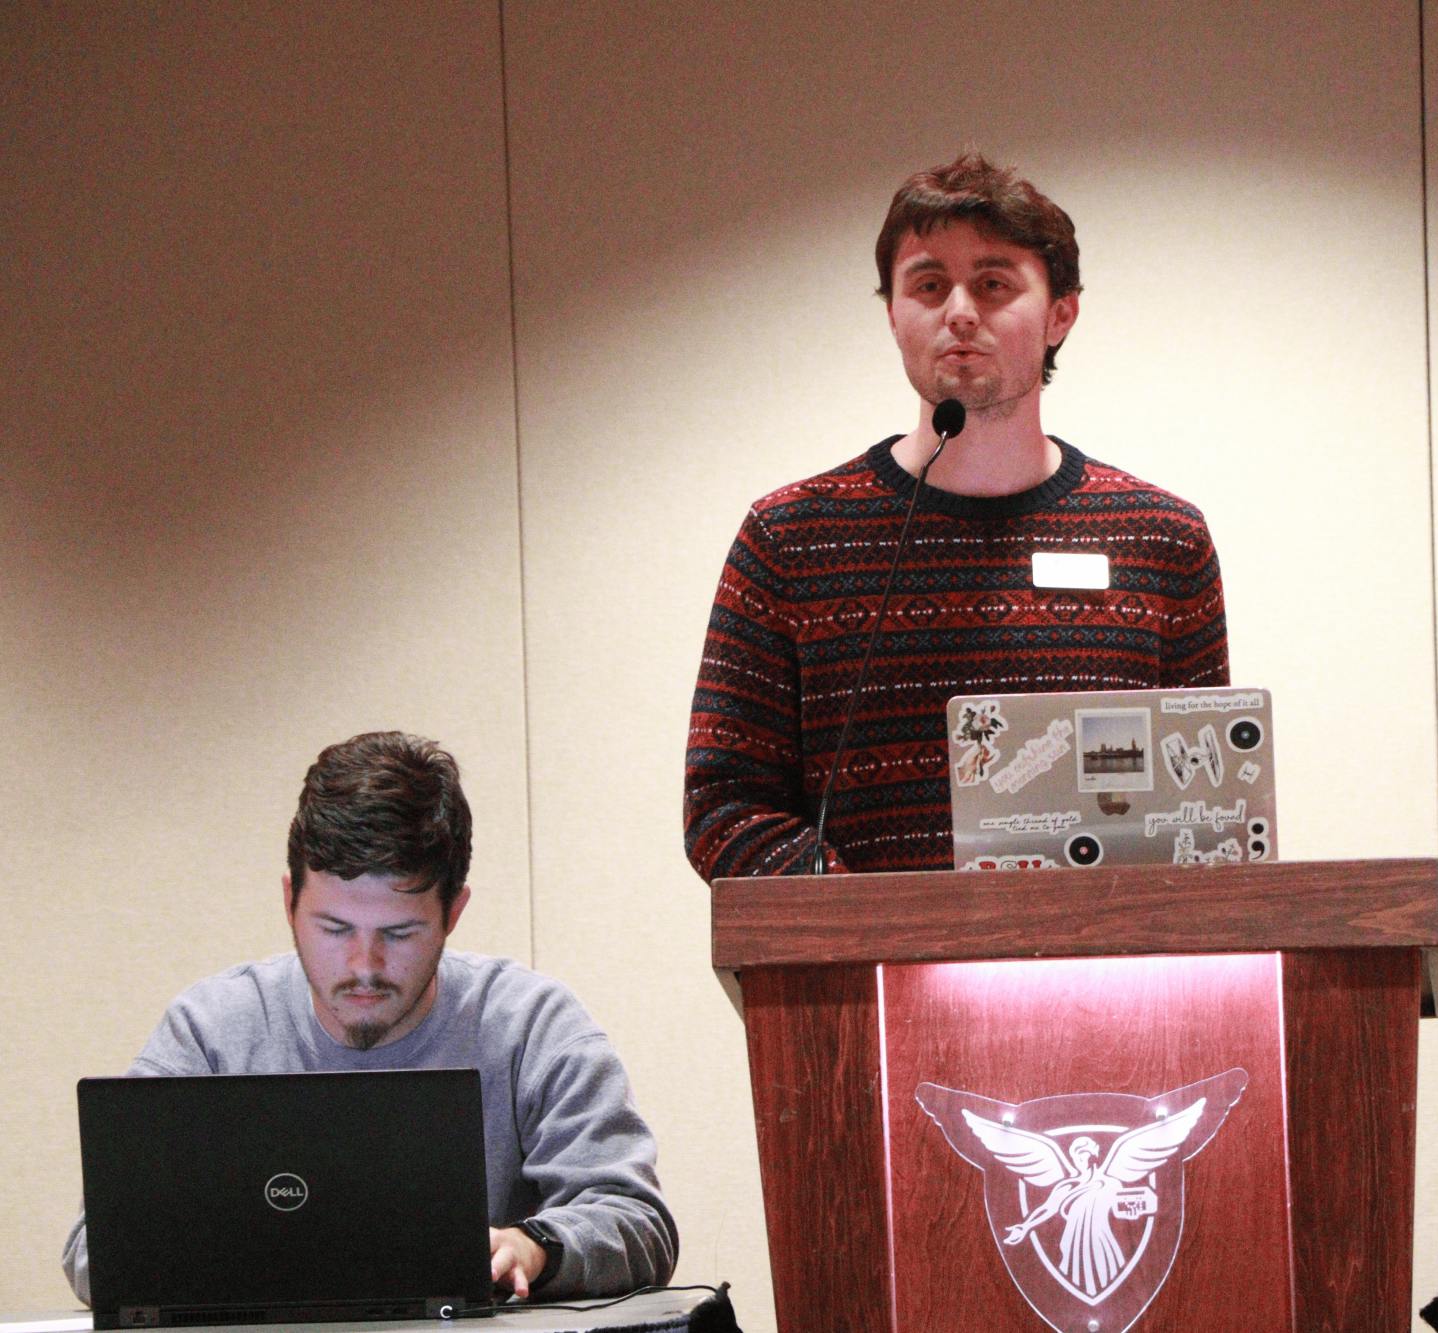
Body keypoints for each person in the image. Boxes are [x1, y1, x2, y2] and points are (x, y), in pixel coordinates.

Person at [684, 151, 1229, 881]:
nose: (961, 311)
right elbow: (724, 804)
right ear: (892, 314)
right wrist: (866, 924)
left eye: (995, 282)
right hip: (872, 982)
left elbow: (1209, 802)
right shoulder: (790, 540)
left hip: (1111, 982)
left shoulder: (1162, 540)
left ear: (1061, 313)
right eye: (930, 285)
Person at [62, 732, 677, 1303]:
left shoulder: (530, 1024)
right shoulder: (211, 1032)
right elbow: (97, 1249)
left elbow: (637, 1221)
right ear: (289, 902)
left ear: (453, 913)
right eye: (333, 929)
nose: (364, 963)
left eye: (399, 932)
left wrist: (533, 1247)